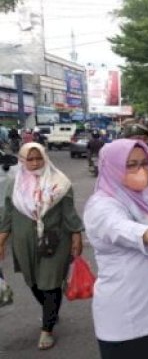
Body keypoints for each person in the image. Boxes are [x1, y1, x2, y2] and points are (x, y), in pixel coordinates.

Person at [83, 139, 148, 359]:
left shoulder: (145, 196)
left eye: (145, 163)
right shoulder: (102, 204)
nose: (140, 170)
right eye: (130, 164)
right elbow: (115, 226)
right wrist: (146, 234)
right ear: (111, 166)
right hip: (129, 317)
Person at [0, 143, 83, 350]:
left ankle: (47, 329)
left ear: (45, 158)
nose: (35, 163)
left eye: (39, 158)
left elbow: (69, 213)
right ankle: (51, 310)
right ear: (22, 160)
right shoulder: (13, 184)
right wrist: (1, 241)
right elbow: (8, 216)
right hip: (24, 242)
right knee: (33, 282)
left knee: (50, 283)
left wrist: (76, 235)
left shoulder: (60, 182)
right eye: (30, 159)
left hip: (55, 241)